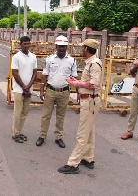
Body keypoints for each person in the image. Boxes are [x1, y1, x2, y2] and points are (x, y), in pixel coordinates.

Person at [58, 39, 102, 174]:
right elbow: (88, 82)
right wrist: (76, 81)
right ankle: (88, 159)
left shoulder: (94, 64)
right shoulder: (91, 62)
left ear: (87, 49)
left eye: (83, 47)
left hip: (90, 101)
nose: (81, 50)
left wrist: (77, 84)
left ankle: (73, 164)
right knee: (89, 132)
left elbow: (94, 84)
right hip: (89, 100)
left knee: (82, 133)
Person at [36, 36, 78, 148]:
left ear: (66, 47)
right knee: (46, 115)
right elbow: (44, 75)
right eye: (60, 46)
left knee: (61, 116)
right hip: (50, 90)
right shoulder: (49, 59)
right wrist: (41, 90)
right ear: (56, 47)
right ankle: (42, 136)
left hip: (64, 92)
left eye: (64, 47)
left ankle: (58, 137)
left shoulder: (72, 60)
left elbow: (74, 78)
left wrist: (77, 93)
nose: (62, 49)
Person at [11, 36, 37, 143]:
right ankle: (15, 133)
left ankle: (19, 131)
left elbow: (35, 73)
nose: (27, 45)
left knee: (24, 113)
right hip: (18, 90)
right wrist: (24, 87)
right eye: (25, 44)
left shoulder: (33, 57)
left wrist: (28, 87)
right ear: (20, 44)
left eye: (28, 43)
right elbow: (15, 74)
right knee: (17, 113)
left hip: (28, 89)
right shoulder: (16, 57)